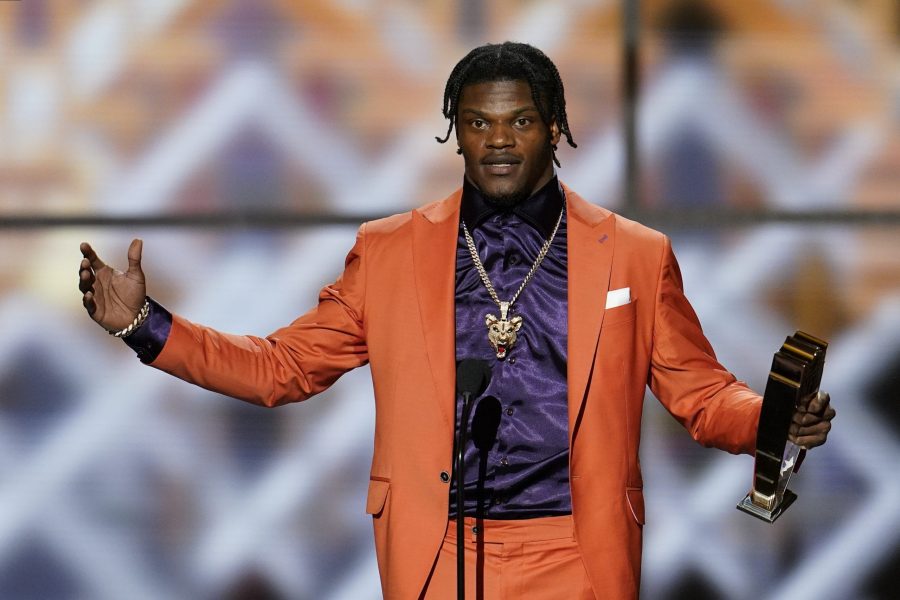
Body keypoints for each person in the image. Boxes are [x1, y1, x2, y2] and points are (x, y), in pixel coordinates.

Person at [78, 42, 835, 599]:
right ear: (455, 130)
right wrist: (144, 324)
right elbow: (283, 368)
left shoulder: (634, 255)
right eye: (477, 122)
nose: (497, 140)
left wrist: (770, 418)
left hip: (578, 551)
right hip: (437, 551)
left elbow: (699, 393)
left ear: (556, 126)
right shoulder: (388, 252)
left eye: (519, 121)